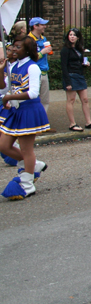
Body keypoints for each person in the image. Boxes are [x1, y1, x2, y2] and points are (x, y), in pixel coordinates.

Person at [0, 37, 50, 200]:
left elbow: (33, 93)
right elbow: (4, 87)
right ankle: (34, 165)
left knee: (26, 150)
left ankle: (27, 184)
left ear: (27, 50)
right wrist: (1, 70)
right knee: (4, 146)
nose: (14, 50)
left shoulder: (33, 67)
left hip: (29, 110)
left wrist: (9, 98)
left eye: (18, 47)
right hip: (16, 111)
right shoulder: (13, 65)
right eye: (13, 47)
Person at [60, 28, 91, 131]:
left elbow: (79, 63)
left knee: (85, 99)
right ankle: (72, 123)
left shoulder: (79, 49)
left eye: (74, 35)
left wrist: (84, 65)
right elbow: (64, 66)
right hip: (71, 76)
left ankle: (89, 122)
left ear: (78, 37)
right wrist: (67, 82)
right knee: (71, 100)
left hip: (79, 75)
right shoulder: (65, 50)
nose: (72, 37)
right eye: (70, 35)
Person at [28, 17, 52, 112]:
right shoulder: (29, 40)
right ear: (35, 26)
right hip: (34, 73)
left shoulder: (43, 38)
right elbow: (30, 58)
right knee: (34, 99)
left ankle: (43, 122)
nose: (44, 27)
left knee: (45, 100)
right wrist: (42, 52)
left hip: (44, 71)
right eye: (42, 25)